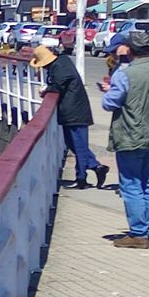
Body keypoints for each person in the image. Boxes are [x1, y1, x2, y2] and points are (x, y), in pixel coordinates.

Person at [102, 30, 149, 249]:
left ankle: (139, 234)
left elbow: (110, 104)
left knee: (132, 184)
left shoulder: (124, 74)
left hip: (130, 134)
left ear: (129, 50)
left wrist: (108, 92)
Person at [31, 45, 108, 189]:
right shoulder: (62, 61)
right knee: (74, 143)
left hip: (74, 111)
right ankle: (96, 167)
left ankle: (81, 179)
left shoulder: (60, 67)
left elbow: (58, 86)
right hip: (73, 110)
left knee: (78, 144)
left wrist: (46, 90)